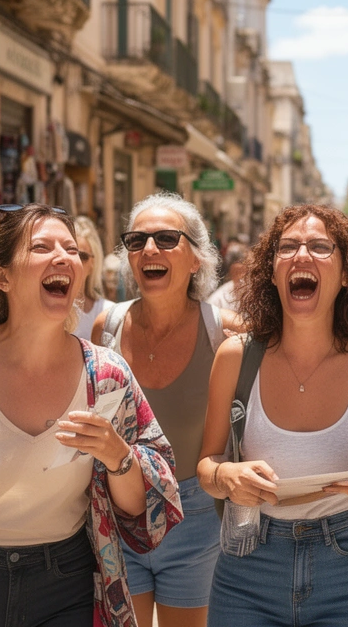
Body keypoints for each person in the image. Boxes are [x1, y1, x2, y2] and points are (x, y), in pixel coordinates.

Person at [0, 204, 181, 627]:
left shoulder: (108, 376)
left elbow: (139, 508)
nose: (63, 257)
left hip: (64, 583)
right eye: (41, 247)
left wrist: (119, 456)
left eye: (71, 249)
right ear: (1, 276)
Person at [198, 204, 348, 626]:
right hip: (248, 567)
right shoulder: (234, 358)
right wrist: (226, 478)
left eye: (320, 246)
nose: (302, 255)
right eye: (288, 247)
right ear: (272, 270)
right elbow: (206, 465)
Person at [91, 192, 245, 627]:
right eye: (137, 241)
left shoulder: (225, 332)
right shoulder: (108, 328)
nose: (149, 250)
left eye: (166, 238)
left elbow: (295, 346)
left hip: (196, 518)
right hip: (119, 512)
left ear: (197, 259)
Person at [72, 215, 114, 342]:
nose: (75, 262)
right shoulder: (44, 311)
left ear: (93, 263)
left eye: (82, 256)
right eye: (70, 253)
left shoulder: (109, 313)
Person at [207, 242, 248, 313]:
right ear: (230, 272)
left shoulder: (255, 294)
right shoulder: (218, 299)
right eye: (236, 272)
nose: (241, 277)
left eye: (243, 271)